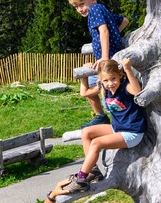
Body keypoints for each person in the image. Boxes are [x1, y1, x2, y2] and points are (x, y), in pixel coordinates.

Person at [59, 58, 147, 194]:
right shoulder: (104, 88)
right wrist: (86, 74)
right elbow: (84, 92)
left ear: (120, 75)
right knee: (86, 132)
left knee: (96, 143)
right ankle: (92, 171)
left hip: (132, 133)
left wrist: (128, 69)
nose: (110, 84)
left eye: (113, 79)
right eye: (105, 80)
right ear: (101, 80)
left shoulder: (125, 87)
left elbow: (137, 91)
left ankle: (81, 179)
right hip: (117, 128)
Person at [69, 0, 131, 128]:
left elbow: (103, 31)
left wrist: (104, 58)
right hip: (109, 56)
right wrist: (115, 36)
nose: (80, 9)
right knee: (95, 85)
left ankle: (102, 116)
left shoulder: (94, 10)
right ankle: (104, 116)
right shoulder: (102, 10)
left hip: (107, 58)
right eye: (76, 7)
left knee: (94, 88)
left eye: (82, 4)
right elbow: (124, 21)